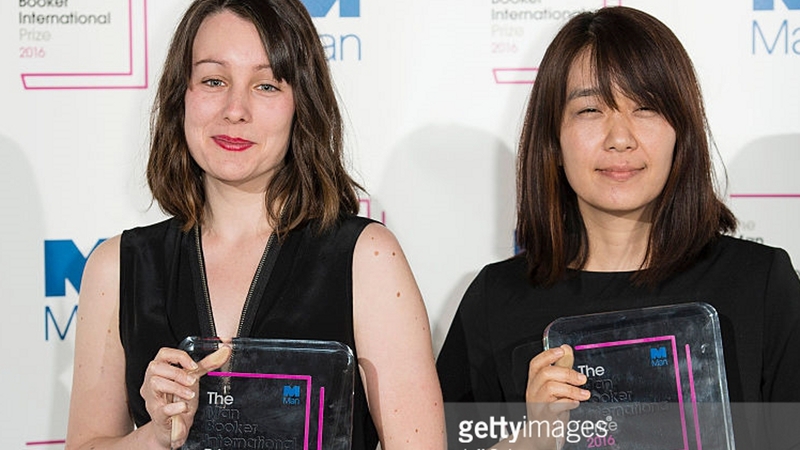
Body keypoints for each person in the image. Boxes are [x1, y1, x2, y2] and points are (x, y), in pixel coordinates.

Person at [64, 1, 445, 449]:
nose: (235, 109)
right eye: (213, 80)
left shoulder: (367, 258)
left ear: (301, 104)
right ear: (179, 95)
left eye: (265, 85)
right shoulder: (118, 266)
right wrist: (155, 436)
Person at [436, 6, 800, 449]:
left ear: (681, 133)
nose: (620, 137)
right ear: (554, 139)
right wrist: (533, 440)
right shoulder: (495, 300)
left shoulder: (759, 284)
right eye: (590, 109)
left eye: (645, 107)